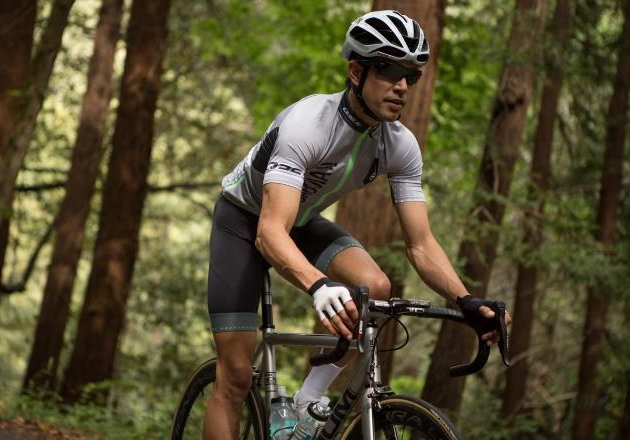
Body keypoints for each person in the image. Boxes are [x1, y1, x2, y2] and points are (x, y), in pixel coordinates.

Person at [203, 10, 511, 439]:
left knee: (376, 289)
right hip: (243, 220)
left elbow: (420, 244)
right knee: (235, 376)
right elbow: (269, 232)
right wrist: (318, 285)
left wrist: (464, 299)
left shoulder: (399, 146)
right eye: (388, 69)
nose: (401, 85)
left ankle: (308, 405)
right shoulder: (307, 124)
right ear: (355, 71)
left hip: (302, 221)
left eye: (411, 75)